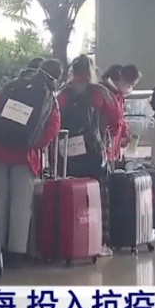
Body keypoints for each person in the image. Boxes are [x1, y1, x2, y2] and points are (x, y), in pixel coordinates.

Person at [0, 59, 62, 268]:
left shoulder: (10, 88)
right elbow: (52, 128)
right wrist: (36, 144)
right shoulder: (47, 95)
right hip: (25, 156)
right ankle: (16, 253)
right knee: (21, 206)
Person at [58, 55, 124, 254]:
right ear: (91, 70)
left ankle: (71, 241)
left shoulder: (63, 94)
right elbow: (116, 121)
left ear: (73, 71)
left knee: (71, 195)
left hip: (67, 152)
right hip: (94, 151)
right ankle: (101, 241)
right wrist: (109, 144)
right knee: (99, 196)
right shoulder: (100, 92)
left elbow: (54, 119)